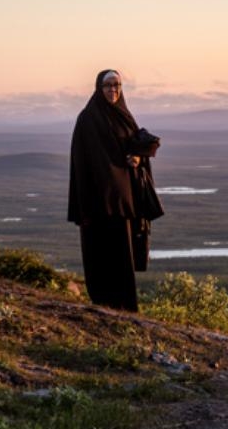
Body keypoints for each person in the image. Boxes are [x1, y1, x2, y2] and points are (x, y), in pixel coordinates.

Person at [67, 69, 161, 312]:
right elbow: (82, 163)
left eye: (117, 85)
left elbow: (135, 148)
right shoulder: (88, 119)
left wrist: (138, 160)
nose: (113, 90)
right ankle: (102, 303)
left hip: (123, 201)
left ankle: (125, 306)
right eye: (108, 86)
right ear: (99, 88)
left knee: (122, 254)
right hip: (98, 202)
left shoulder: (125, 116)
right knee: (101, 252)